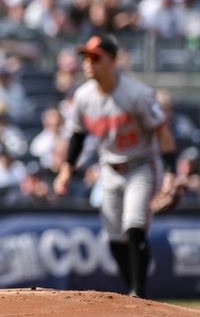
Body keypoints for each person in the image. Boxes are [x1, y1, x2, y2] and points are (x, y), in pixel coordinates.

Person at [54, 34, 178, 299]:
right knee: (114, 238)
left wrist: (169, 172)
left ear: (112, 61)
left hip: (141, 166)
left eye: (96, 58)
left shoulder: (138, 94)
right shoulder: (83, 96)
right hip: (108, 168)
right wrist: (66, 170)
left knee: (133, 226)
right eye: (86, 57)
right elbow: (77, 135)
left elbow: (162, 132)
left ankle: (139, 294)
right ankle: (130, 292)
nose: (88, 63)